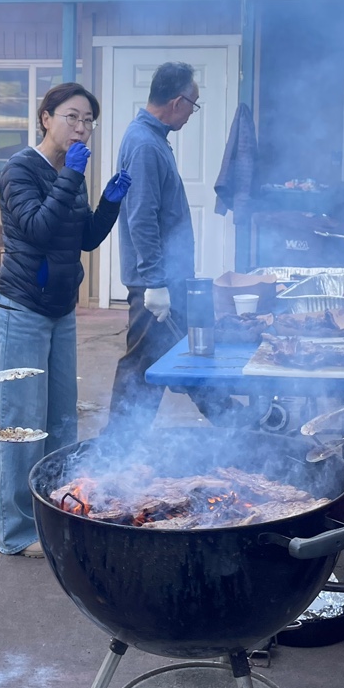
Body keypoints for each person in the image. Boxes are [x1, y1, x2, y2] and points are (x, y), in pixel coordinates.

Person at [0, 81, 130, 556]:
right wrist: (71, 176)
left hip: (60, 310)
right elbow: (38, 228)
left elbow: (83, 238)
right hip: (21, 309)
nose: (82, 128)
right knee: (21, 424)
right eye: (72, 117)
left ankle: (56, 514)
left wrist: (110, 202)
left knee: (61, 422)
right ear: (45, 117)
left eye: (88, 120)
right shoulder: (19, 169)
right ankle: (16, 532)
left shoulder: (75, 171)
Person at [107, 62, 231, 434]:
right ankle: (115, 449)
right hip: (155, 284)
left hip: (167, 277)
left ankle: (240, 425)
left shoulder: (152, 138)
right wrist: (155, 282)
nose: (193, 113)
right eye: (193, 105)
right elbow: (141, 217)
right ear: (177, 102)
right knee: (143, 367)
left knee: (184, 357)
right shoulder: (145, 144)